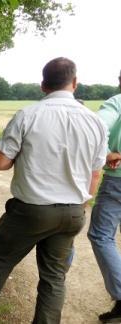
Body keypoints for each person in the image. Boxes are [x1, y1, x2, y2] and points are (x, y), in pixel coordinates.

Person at [0, 57, 109, 323]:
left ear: (43, 86)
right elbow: (95, 172)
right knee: (54, 276)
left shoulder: (28, 115)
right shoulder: (95, 122)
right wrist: (82, 204)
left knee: (1, 257)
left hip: (31, 210)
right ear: (75, 83)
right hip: (73, 211)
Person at [88, 70, 121, 323]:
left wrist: (107, 153)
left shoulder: (117, 102)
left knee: (101, 235)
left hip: (118, 181)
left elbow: (96, 128)